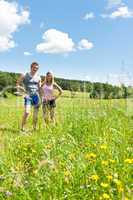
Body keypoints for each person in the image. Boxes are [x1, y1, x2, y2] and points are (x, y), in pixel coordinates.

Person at [16, 62, 41, 131]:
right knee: (27, 112)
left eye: (37, 68)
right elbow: (18, 83)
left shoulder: (38, 77)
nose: (35, 69)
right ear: (31, 67)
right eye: (34, 67)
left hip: (36, 96)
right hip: (28, 96)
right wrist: (20, 92)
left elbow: (39, 88)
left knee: (35, 115)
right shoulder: (24, 75)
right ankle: (22, 128)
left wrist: (41, 97)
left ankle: (34, 128)